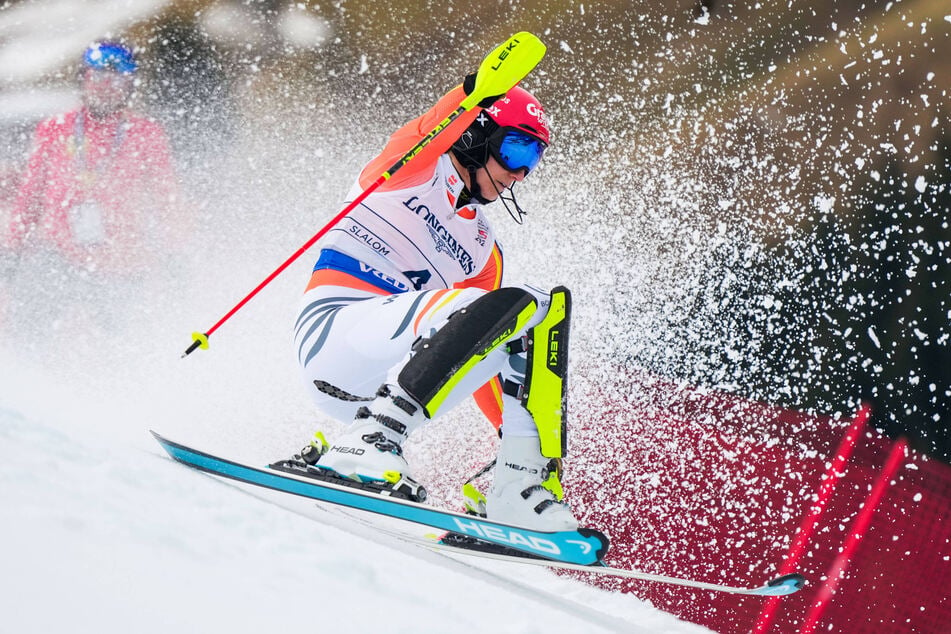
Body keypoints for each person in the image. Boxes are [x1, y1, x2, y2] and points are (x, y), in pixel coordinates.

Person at [293, 70, 578, 531]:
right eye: (516, 149)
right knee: (492, 301)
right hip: (335, 334)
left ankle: (519, 480)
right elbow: (429, 129)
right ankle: (369, 441)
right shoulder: (412, 169)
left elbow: (484, 344)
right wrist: (474, 92)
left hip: (387, 383)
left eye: (535, 158)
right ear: (477, 134)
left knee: (538, 311)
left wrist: (524, 438)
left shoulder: (483, 246)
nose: (520, 172)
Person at [3, 41, 180, 335]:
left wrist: (176, 252)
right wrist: (12, 247)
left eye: (116, 79)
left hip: (122, 261)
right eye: (96, 77)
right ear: (82, 80)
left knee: (124, 345)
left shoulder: (146, 134)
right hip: (59, 252)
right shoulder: (54, 128)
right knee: (27, 331)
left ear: (130, 85)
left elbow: (167, 198)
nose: (105, 86)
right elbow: (30, 195)